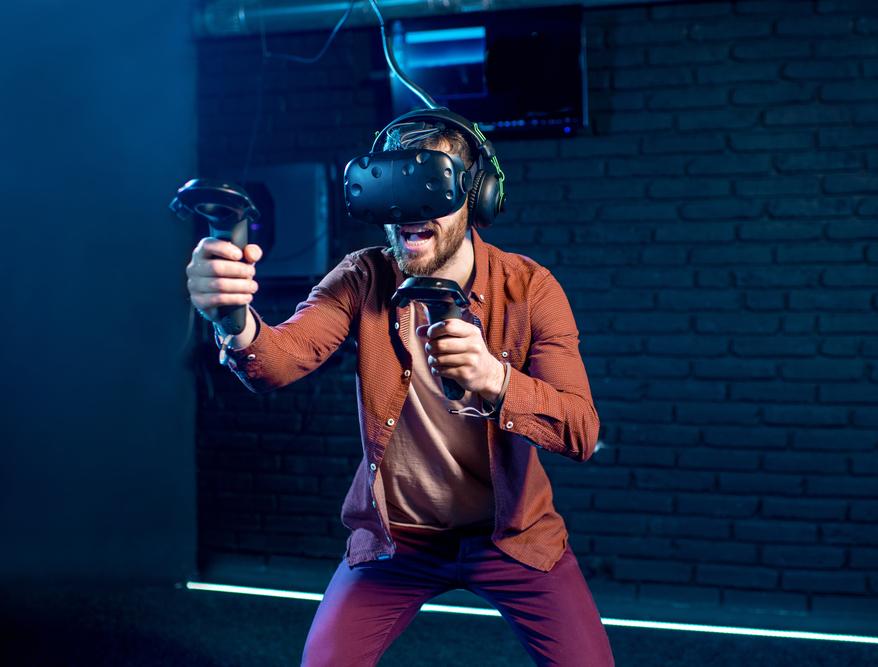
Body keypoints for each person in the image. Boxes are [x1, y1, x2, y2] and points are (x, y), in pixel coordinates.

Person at [185, 117, 615, 666]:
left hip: (510, 539)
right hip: (399, 543)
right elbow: (279, 361)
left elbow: (581, 430)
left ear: (476, 195)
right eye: (394, 186)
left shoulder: (530, 288)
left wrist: (495, 380)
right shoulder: (362, 277)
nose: (411, 210)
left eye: (431, 185)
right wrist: (230, 317)